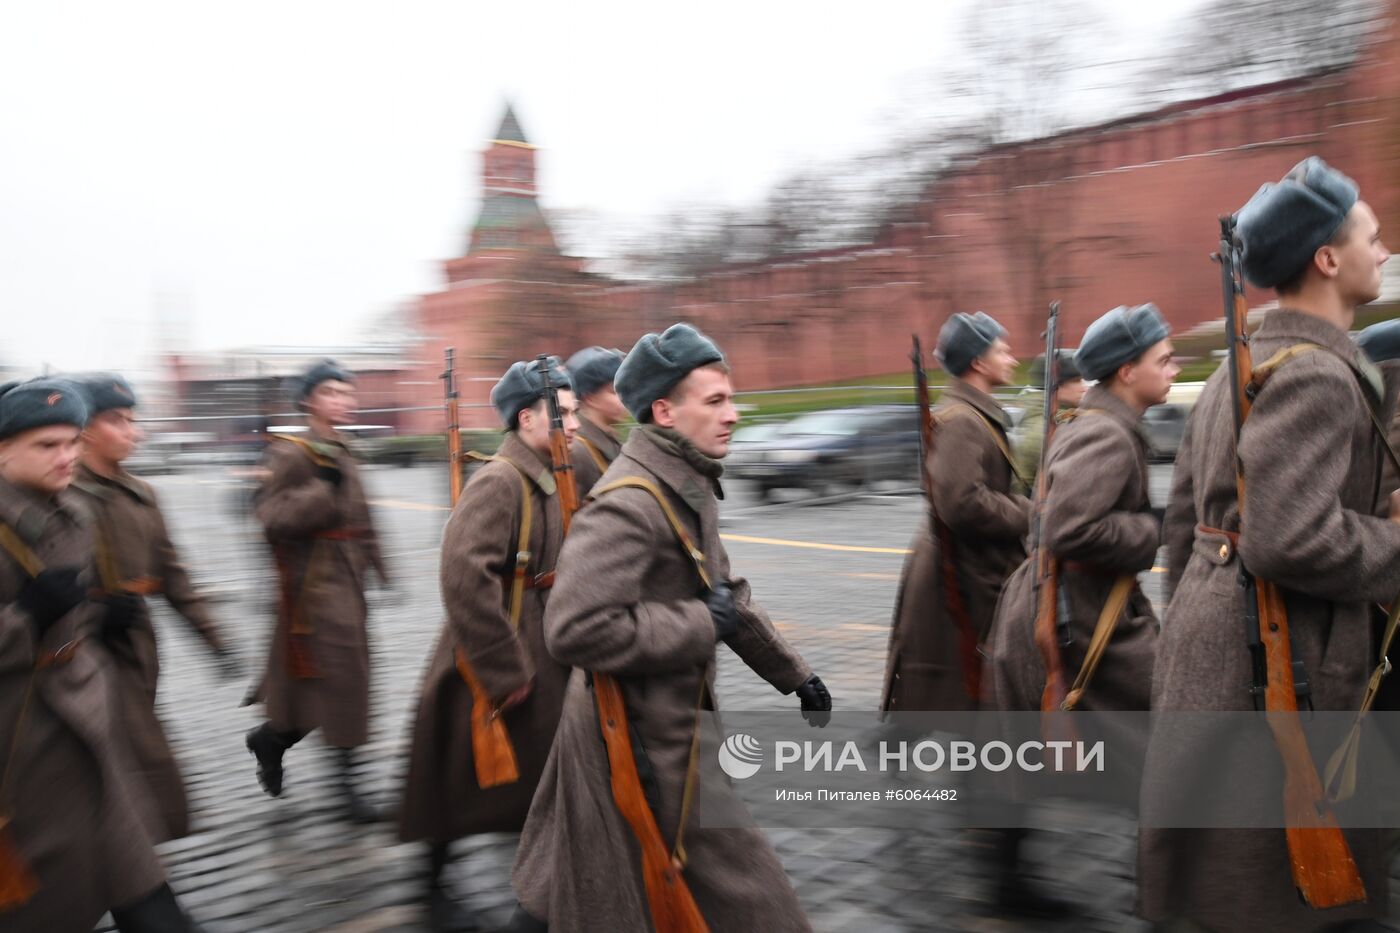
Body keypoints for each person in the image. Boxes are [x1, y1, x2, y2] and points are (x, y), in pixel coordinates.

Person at [1141, 156, 1400, 931]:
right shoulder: (1318, 373)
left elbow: (1187, 521)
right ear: (1327, 257)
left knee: (1234, 871)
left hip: (1221, 641)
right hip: (1280, 654)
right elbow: (1290, 538)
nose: (1383, 252)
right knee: (1285, 881)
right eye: (1372, 237)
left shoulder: (1242, 363)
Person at [511, 323, 831, 932]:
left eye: (729, 398)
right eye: (715, 401)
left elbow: (725, 594)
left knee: (581, 885)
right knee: (756, 905)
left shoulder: (687, 480)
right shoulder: (630, 502)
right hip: (639, 735)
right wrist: (692, 624)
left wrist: (794, 675)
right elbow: (573, 628)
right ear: (664, 410)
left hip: (662, 724)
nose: (733, 415)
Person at [0, 378, 203, 932]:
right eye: (47, 446)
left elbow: (74, 614)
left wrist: (96, 616)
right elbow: (34, 623)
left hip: (88, 726)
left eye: (71, 441)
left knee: (149, 899)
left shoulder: (74, 513)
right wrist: (23, 621)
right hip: (20, 748)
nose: (66, 457)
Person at [398, 357, 578, 932]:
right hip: (487, 656)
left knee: (517, 782)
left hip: (537, 642)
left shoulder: (548, 472)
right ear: (527, 417)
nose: (573, 424)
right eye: (563, 412)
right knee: (457, 782)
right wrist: (504, 670)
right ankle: (430, 893)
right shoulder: (501, 479)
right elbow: (460, 573)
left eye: (574, 412)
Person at [987, 304, 1176, 792]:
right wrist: (1151, 530)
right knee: (1174, 731)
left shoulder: (1099, 424)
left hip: (1087, 610)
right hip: (1084, 617)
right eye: (1165, 359)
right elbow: (1068, 529)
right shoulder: (1105, 433)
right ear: (1128, 371)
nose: (1174, 368)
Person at [70, 372, 236, 843]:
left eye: (133, 420)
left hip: (137, 645)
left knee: (123, 771)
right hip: (83, 655)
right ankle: (145, 899)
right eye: (117, 421)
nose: (133, 431)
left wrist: (214, 638)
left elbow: (173, 575)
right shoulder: (63, 495)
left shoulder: (144, 495)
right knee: (142, 770)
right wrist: (94, 614)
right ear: (83, 429)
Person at [244, 359, 388, 823]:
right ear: (308, 401)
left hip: (348, 583)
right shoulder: (293, 454)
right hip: (312, 592)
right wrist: (320, 494)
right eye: (330, 392)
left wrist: (383, 566)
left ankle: (271, 738)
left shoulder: (344, 448)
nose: (342, 400)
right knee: (344, 683)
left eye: (346, 392)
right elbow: (271, 518)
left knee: (324, 689)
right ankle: (348, 791)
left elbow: (362, 517)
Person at [1012, 349, 1086, 495]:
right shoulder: (1044, 432)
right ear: (1056, 387)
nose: (1083, 388)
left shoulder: (1060, 420)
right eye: (1076, 381)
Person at [563, 346, 626, 497]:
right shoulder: (578, 451)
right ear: (589, 398)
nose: (623, 397)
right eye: (614, 391)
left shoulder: (609, 440)